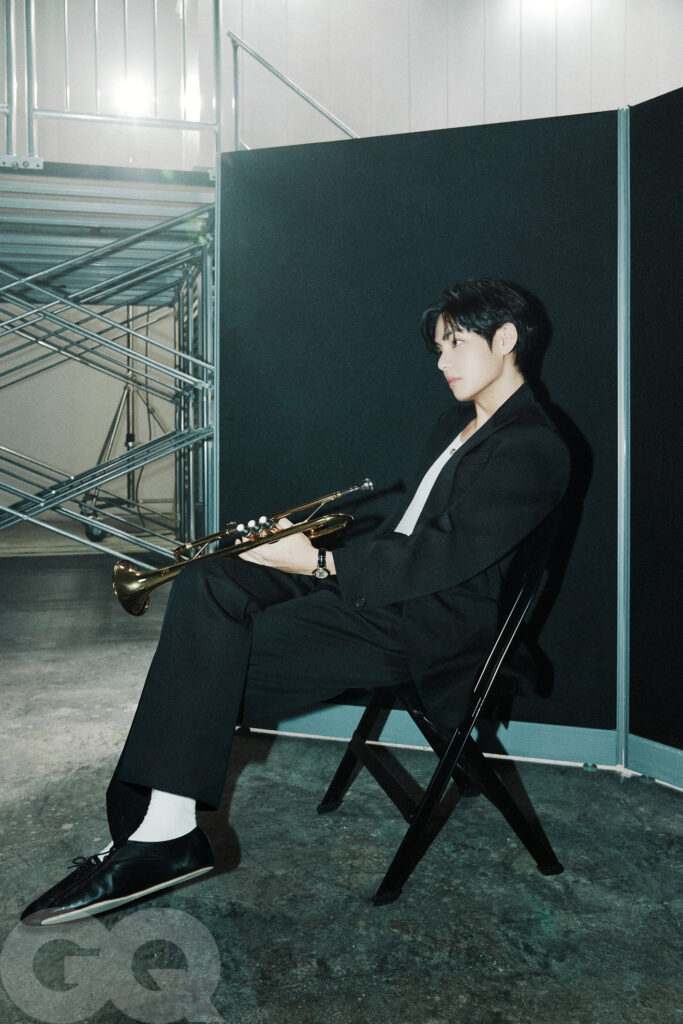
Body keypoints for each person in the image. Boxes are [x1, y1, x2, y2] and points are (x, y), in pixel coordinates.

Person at [21, 278, 570, 926]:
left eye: (455, 344)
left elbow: (441, 557)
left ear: (504, 339)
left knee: (211, 659)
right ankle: (160, 827)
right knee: (212, 580)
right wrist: (302, 545)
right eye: (438, 347)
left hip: (426, 628)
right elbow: (408, 535)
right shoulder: (460, 424)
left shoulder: (533, 446)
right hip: (388, 593)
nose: (441, 361)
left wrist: (317, 562)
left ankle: (159, 834)